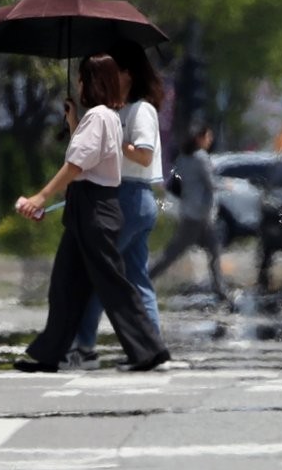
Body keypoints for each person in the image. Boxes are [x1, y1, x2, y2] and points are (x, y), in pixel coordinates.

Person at [13, 53, 170, 373]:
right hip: (91, 206)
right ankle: (49, 354)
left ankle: (148, 349)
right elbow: (90, 155)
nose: (79, 83)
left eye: (83, 78)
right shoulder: (107, 117)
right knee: (66, 284)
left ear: (93, 82)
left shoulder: (99, 117)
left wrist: (41, 196)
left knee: (109, 283)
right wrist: (73, 122)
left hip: (94, 208)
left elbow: (76, 165)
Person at [64, 40, 165, 370]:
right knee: (135, 278)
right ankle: (153, 349)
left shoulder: (141, 110)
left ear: (128, 74)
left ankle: (85, 348)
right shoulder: (115, 112)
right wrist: (74, 124)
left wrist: (115, 141)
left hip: (130, 197)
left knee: (98, 273)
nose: (108, 77)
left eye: (114, 71)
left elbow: (144, 154)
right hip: (126, 198)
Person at [148, 122, 228, 301]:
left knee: (213, 249)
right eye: (208, 136)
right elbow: (210, 183)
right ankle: (145, 279)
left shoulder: (183, 158)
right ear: (199, 138)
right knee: (174, 252)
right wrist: (225, 185)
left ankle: (220, 289)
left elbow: (179, 184)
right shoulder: (200, 157)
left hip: (191, 211)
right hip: (198, 214)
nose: (210, 140)